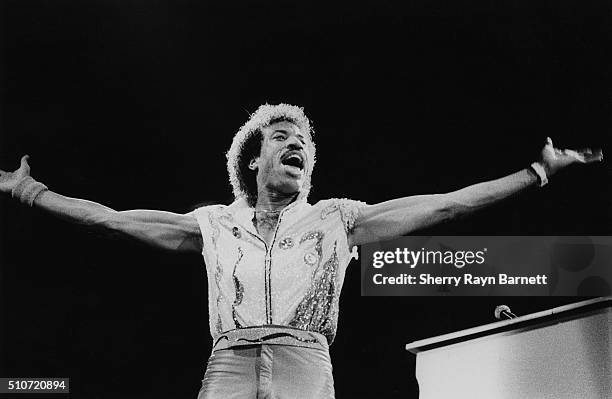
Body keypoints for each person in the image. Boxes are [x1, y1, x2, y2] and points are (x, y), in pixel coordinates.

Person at [0, 103, 603, 398]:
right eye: (282, 138)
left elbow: (445, 205)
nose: (297, 146)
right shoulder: (212, 224)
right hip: (230, 362)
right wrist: (30, 192)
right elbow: (109, 219)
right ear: (255, 159)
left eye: (304, 143)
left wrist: (537, 173)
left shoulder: (338, 220)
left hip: (305, 361)